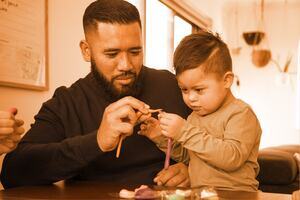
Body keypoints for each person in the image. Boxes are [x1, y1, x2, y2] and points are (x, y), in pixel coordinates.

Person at [0, 0, 191, 189]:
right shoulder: (67, 103)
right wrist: (97, 141)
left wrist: (194, 169)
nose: (126, 65)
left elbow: (217, 146)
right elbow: (13, 172)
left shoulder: (175, 86)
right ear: (86, 51)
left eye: (135, 52)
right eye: (111, 54)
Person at [140, 31, 262, 192]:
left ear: (226, 80)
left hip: (236, 194)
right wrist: (160, 136)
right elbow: (191, 156)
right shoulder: (194, 117)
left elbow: (232, 158)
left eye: (199, 89)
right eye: (184, 89)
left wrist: (184, 131)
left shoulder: (240, 113)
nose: (191, 98)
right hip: (201, 194)